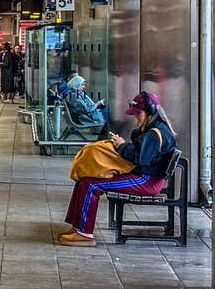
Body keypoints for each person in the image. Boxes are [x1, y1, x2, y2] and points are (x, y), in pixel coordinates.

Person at [57, 91, 177, 246]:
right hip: (144, 177)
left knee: (91, 185)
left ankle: (85, 234)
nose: (135, 117)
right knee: (84, 179)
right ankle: (78, 227)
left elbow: (139, 158)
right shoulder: (152, 130)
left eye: (138, 113)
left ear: (150, 112)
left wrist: (122, 145)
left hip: (146, 181)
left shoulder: (155, 133)